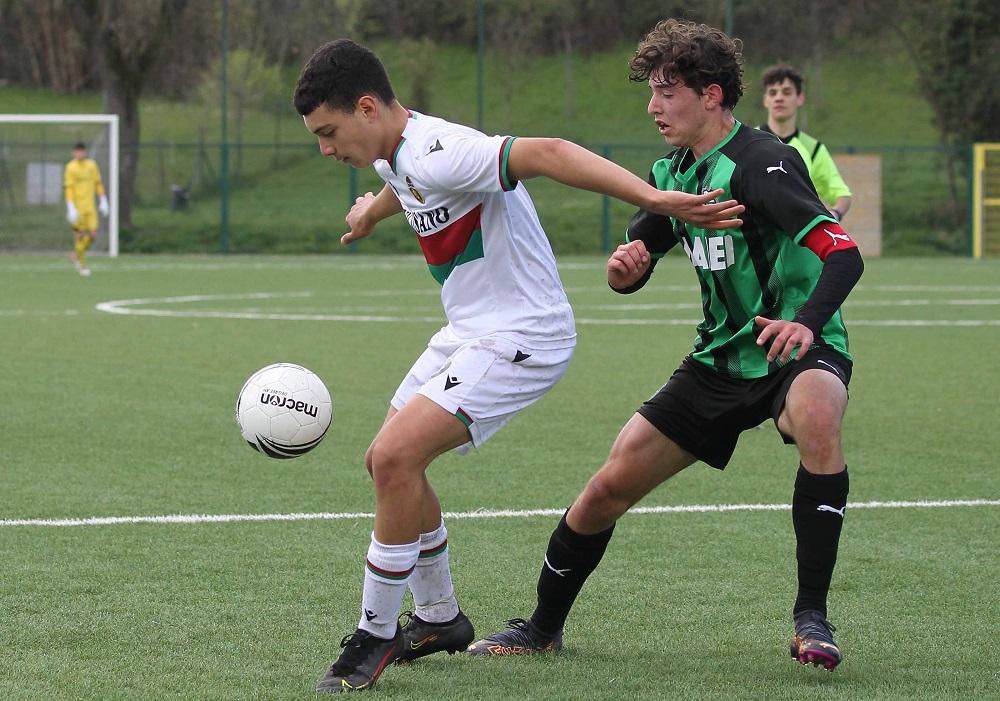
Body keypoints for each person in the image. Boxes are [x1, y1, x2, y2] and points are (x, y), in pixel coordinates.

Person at [292, 38, 744, 694]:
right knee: (385, 460)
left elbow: (551, 153)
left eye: (329, 133)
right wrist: (373, 209)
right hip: (467, 331)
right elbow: (405, 181)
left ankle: (375, 630)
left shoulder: (439, 148)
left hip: (522, 334)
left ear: (367, 108)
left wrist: (659, 200)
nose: (326, 149)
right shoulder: (398, 150)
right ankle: (440, 617)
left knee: (395, 457)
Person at [468, 19, 863, 674]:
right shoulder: (671, 170)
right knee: (603, 490)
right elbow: (647, 244)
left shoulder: (762, 165)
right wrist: (631, 266)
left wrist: (809, 322)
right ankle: (540, 627)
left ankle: (811, 615)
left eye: (666, 91)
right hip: (717, 361)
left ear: (711, 95)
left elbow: (842, 256)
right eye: (650, 92)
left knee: (818, 414)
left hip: (796, 345)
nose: (653, 107)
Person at [759, 64, 853, 222]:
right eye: (773, 93)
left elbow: (842, 195)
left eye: (786, 92)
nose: (779, 98)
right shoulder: (749, 141)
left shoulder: (813, 149)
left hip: (797, 241)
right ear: (765, 100)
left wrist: (834, 215)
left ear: (800, 98)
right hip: (758, 241)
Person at [63, 141, 109, 276]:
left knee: (93, 235)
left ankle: (75, 255)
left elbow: (97, 183)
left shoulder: (91, 165)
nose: (79, 153)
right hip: (77, 208)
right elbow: (69, 188)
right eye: (77, 151)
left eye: (81, 151)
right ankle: (82, 266)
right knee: (80, 235)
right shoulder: (70, 167)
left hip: (90, 207)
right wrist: (70, 206)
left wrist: (103, 199)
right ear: (73, 153)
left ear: (85, 152)